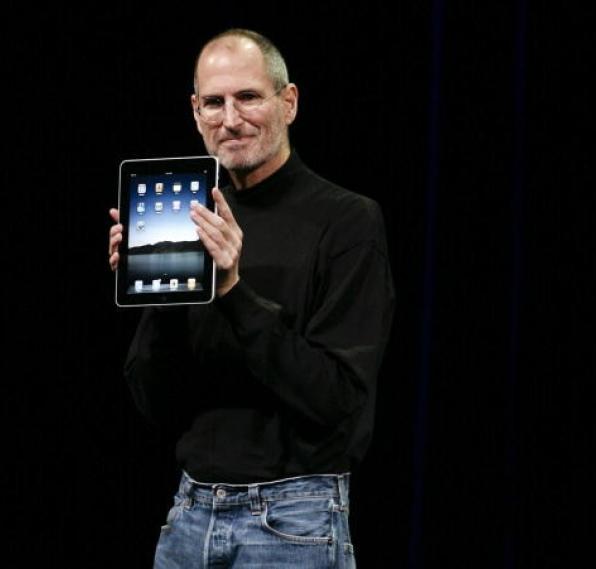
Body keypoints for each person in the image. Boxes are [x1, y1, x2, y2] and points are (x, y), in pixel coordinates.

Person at [108, 28, 395, 568]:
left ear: (288, 102)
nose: (230, 119)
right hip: (190, 512)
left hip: (293, 518)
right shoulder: (192, 222)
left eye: (248, 97)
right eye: (213, 102)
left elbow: (338, 400)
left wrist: (234, 292)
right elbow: (155, 402)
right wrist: (157, 289)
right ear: (195, 112)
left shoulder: (347, 221)